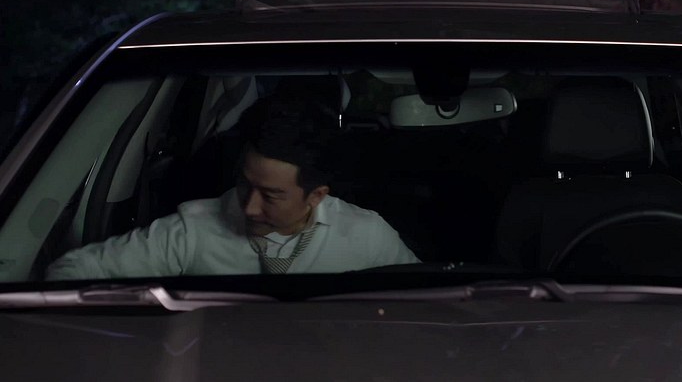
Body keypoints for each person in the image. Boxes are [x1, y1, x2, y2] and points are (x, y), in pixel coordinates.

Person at [46, 96, 420, 280]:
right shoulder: (192, 230)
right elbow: (70, 271)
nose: (250, 208)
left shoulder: (367, 236)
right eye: (244, 184)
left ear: (316, 196)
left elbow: (425, 305)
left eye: (271, 195)